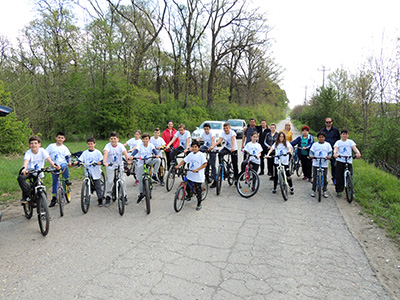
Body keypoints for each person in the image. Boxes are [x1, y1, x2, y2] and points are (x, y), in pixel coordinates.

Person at [17, 136, 60, 204]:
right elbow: (26, 162)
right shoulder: (28, 153)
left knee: (40, 188)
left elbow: (49, 160)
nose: (34, 145)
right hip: (29, 172)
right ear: (29, 145)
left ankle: (42, 206)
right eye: (31, 143)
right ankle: (27, 196)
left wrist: (55, 166)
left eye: (35, 143)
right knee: (20, 178)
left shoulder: (42, 151)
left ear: (39, 144)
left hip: (39, 173)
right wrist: (24, 169)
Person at [175, 140, 207, 211]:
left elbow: (205, 164)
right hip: (190, 174)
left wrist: (197, 169)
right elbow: (184, 160)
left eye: (196, 147)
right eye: (193, 147)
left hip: (197, 175)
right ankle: (189, 195)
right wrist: (178, 165)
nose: (194, 148)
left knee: (198, 190)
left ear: (198, 148)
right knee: (187, 185)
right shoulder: (190, 154)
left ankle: (199, 203)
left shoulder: (201, 155)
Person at [103, 131, 131, 207]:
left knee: (123, 180)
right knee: (110, 181)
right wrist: (104, 161)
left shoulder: (120, 146)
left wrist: (128, 159)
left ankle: (124, 196)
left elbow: (125, 153)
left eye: (114, 138)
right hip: (110, 165)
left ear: (118, 139)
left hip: (119, 165)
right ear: (109, 139)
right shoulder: (107, 146)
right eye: (111, 139)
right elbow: (105, 153)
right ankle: (108, 196)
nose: (113, 140)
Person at [131, 132, 161, 203]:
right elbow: (136, 150)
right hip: (141, 163)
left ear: (149, 139)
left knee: (158, 160)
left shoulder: (151, 145)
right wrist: (132, 155)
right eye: (144, 139)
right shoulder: (140, 145)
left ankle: (154, 174)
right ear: (142, 140)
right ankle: (141, 194)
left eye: (146, 139)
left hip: (149, 161)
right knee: (141, 179)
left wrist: (156, 155)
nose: (145, 140)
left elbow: (154, 150)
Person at [45, 132, 72, 208]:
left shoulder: (64, 148)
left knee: (65, 166)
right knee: (55, 181)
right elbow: (46, 155)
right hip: (54, 164)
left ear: (64, 139)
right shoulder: (51, 146)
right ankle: (54, 198)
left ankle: (67, 179)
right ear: (56, 138)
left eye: (62, 138)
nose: (60, 139)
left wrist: (69, 162)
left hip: (62, 163)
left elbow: (67, 156)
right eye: (59, 137)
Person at [333, 128, 361, 198]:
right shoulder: (338, 142)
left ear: (348, 135)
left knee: (350, 176)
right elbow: (336, 148)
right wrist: (335, 153)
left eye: (346, 134)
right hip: (340, 160)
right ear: (341, 135)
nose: (344, 136)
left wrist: (358, 153)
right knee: (339, 176)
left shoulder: (350, 142)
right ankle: (339, 191)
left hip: (348, 160)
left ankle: (350, 190)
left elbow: (354, 148)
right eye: (343, 134)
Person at [78, 137, 104, 206]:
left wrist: (99, 162)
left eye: (91, 144)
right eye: (89, 144)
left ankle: (100, 199)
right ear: (87, 144)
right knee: (87, 185)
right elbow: (81, 159)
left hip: (96, 171)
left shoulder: (97, 152)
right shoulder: (85, 153)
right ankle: (87, 198)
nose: (90, 145)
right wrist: (78, 162)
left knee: (98, 186)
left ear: (94, 144)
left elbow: (102, 160)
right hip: (88, 171)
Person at [309, 131, 332, 198]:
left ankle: (324, 190)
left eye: (322, 137)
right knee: (315, 176)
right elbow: (311, 152)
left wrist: (329, 156)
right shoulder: (315, 145)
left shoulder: (327, 145)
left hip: (324, 162)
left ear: (324, 138)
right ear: (318, 138)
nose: (321, 138)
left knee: (324, 177)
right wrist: (311, 156)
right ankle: (313, 190)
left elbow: (330, 152)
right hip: (316, 162)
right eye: (320, 137)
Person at [321, 117, 340, 185]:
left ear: (332, 122)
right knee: (323, 165)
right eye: (327, 122)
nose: (328, 123)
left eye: (329, 122)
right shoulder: (322, 130)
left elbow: (338, 140)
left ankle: (334, 178)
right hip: (324, 150)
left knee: (334, 165)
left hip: (333, 150)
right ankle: (323, 179)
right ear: (325, 123)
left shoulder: (336, 130)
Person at [197, 123, 217, 188]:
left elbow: (213, 140)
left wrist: (211, 147)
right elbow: (198, 139)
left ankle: (215, 181)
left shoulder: (212, 133)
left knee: (212, 164)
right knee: (198, 150)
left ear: (209, 129)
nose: (206, 130)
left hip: (212, 148)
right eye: (205, 129)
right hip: (206, 147)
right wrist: (194, 145)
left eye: (207, 129)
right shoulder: (203, 133)